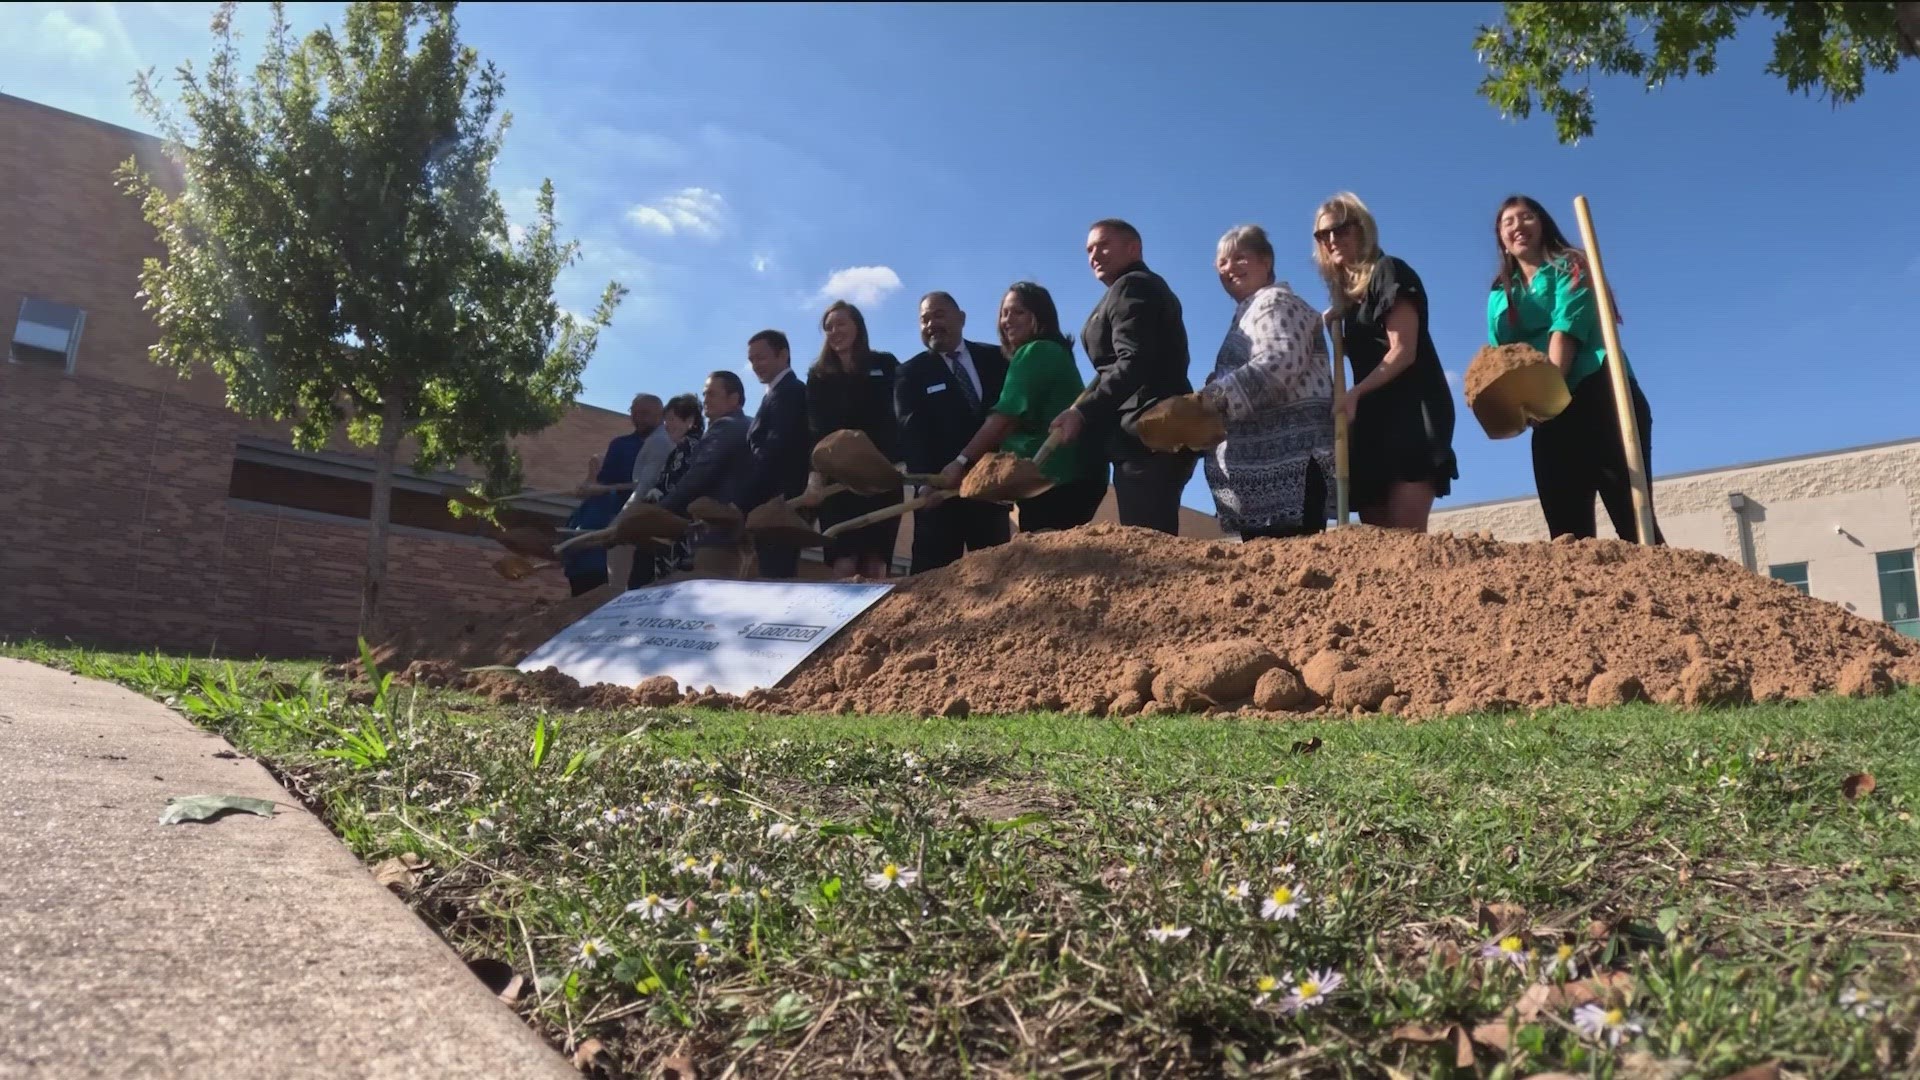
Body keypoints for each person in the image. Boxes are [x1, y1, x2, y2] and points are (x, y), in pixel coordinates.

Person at [1487, 194, 1665, 544]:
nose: (1517, 226)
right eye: (1508, 222)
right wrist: (1517, 408)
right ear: (1501, 240)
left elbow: (1564, 331)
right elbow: (1501, 360)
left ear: (1543, 225)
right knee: (1567, 537)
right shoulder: (1500, 294)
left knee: (1635, 523)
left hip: (1600, 394)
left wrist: (1543, 395)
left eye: (1526, 217)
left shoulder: (1571, 265)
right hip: (1549, 412)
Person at [1313, 192, 1456, 532]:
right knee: (1378, 541)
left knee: (1404, 537)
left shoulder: (1389, 271)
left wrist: (1355, 393)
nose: (1332, 239)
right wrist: (1340, 328)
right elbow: (1369, 350)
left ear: (1361, 229)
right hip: (1372, 419)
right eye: (1323, 234)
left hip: (1411, 414)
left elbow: (1402, 351)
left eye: (1341, 229)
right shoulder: (1348, 302)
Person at [1048, 218, 1196, 536]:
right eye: (1089, 250)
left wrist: (1082, 412)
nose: (1094, 255)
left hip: (1148, 432)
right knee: (1149, 536)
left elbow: (1134, 361)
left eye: (1103, 244)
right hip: (1147, 435)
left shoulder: (1133, 285)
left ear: (1133, 247)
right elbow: (1116, 367)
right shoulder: (1132, 288)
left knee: (1150, 544)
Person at [1194, 225, 1336, 540]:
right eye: (1222, 263)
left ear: (1266, 261)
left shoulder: (1275, 302)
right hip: (1265, 483)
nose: (1230, 268)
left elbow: (1280, 363)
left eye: (1239, 258)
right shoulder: (1249, 313)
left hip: (1290, 471)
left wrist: (1209, 401)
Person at [936, 283, 1110, 532]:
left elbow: (1004, 419)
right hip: (1080, 478)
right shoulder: (1054, 352)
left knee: (1045, 558)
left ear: (1040, 316)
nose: (1007, 320)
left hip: (1055, 480)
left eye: (1018, 312)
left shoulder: (1035, 352)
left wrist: (961, 462)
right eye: (1004, 313)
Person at [896, 291, 1013, 574]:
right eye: (924, 320)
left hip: (988, 492)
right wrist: (926, 482)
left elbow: (1010, 415)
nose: (931, 324)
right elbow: (912, 433)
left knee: (996, 577)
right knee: (931, 582)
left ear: (961, 318)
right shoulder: (910, 373)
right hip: (938, 497)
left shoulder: (997, 359)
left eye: (938, 315)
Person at [806, 301, 903, 579]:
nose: (834, 331)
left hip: (882, 475)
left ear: (857, 327)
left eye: (841, 324)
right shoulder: (819, 376)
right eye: (828, 327)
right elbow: (815, 428)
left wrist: (900, 458)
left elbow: (900, 414)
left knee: (875, 561)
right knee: (844, 559)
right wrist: (815, 476)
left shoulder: (885, 364)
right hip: (840, 480)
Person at [561, 392, 661, 592]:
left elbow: (650, 486)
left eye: (645, 413)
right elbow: (603, 483)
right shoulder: (621, 444)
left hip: (637, 525)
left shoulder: (666, 446)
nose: (638, 418)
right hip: (606, 518)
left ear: (661, 415)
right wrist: (591, 482)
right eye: (634, 412)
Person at [659, 372, 752, 575]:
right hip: (741, 533)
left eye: (712, 394)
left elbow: (699, 476)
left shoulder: (726, 427)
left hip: (718, 534)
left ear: (734, 398)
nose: (705, 400)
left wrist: (659, 512)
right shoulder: (748, 426)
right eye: (704, 394)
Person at [741, 330, 811, 579]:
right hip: (769, 504)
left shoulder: (789, 392)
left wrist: (740, 500)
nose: (755, 366)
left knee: (776, 578)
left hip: (780, 505)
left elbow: (775, 449)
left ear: (783, 355)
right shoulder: (774, 393)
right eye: (751, 360)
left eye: (761, 358)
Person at [635, 393, 705, 585]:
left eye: (672, 419)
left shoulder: (689, 447)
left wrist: (649, 504)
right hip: (680, 529)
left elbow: (675, 486)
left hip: (676, 529)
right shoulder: (691, 446)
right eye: (666, 420)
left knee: (667, 583)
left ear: (690, 421)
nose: (667, 425)